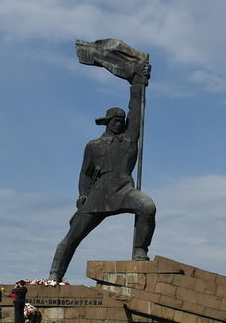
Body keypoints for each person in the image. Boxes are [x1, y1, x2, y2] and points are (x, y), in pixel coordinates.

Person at [48, 61, 155, 283]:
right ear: (107, 122)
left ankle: (139, 251)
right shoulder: (93, 145)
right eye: (115, 120)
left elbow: (137, 109)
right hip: (98, 194)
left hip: (123, 189)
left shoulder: (129, 138)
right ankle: (54, 275)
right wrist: (82, 195)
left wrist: (137, 82)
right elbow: (85, 174)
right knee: (72, 237)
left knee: (147, 207)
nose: (120, 123)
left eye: (122, 121)